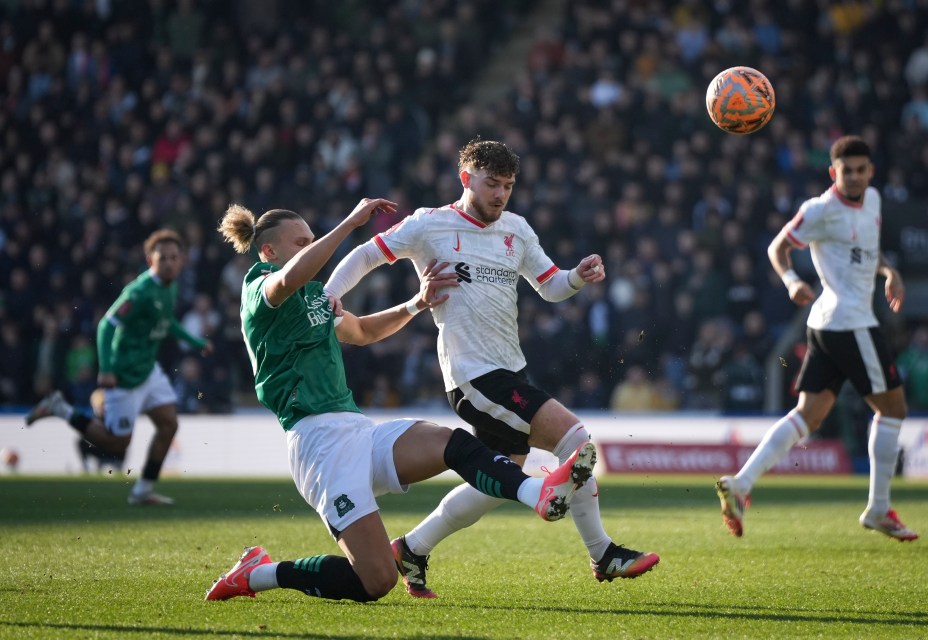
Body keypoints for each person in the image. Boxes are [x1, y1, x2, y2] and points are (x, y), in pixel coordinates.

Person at [205, 199, 596, 604]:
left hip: (356, 430)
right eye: (301, 242)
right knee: (374, 582)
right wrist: (349, 223)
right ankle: (260, 573)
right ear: (269, 251)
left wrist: (417, 304)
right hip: (318, 446)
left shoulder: (313, 297)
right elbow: (288, 279)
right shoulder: (259, 289)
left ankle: (537, 493)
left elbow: (360, 331)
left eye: (311, 240)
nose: (310, 246)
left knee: (452, 443)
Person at [326, 139, 659, 598]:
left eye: (508, 186)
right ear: (466, 179)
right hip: (472, 376)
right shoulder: (430, 224)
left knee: (496, 480)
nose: (500, 195)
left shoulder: (517, 230)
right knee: (576, 442)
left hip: (510, 372)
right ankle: (603, 554)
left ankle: (411, 548)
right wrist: (331, 293)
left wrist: (578, 276)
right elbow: (367, 254)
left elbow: (550, 286)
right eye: (491, 184)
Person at [716, 135, 918, 541]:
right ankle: (878, 509)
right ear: (833, 172)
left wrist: (889, 272)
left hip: (827, 325)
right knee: (893, 408)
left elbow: (866, 251)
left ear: (871, 172)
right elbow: (779, 248)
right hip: (851, 324)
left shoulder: (873, 201)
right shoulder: (821, 210)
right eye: (848, 171)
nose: (856, 177)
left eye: (862, 170)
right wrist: (791, 281)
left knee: (809, 414)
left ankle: (740, 483)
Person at [25, 229, 212, 505]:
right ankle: (60, 408)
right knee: (116, 443)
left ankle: (142, 491)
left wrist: (194, 341)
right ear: (151, 260)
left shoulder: (170, 286)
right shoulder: (138, 292)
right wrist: (107, 369)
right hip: (124, 376)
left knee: (168, 424)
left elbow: (166, 321)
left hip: (148, 371)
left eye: (175, 257)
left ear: (182, 260)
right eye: (164, 258)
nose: (170, 263)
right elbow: (105, 326)